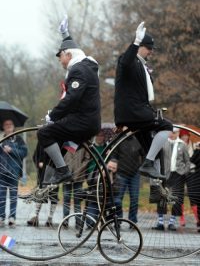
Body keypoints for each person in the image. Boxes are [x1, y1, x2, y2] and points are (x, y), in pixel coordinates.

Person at [37, 14, 101, 185]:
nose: (60, 61)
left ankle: (63, 172)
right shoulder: (86, 66)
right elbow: (74, 48)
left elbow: (72, 99)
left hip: (82, 123)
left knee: (44, 133)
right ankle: (46, 185)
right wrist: (65, 34)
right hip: (87, 122)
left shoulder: (79, 70)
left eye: (61, 57)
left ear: (68, 55)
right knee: (54, 145)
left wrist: (53, 116)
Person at [114, 21, 173, 180]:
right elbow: (126, 62)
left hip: (137, 112)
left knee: (152, 149)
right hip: (134, 113)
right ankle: (148, 165)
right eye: (149, 48)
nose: (151, 52)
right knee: (167, 126)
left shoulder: (141, 66)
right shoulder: (128, 61)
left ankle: (157, 184)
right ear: (140, 46)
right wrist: (135, 42)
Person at [152, 128, 190, 231]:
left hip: (177, 174)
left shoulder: (182, 144)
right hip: (164, 174)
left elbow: (187, 161)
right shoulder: (164, 143)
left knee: (176, 198)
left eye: (175, 132)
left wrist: (184, 172)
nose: (172, 134)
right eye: (171, 132)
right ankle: (160, 222)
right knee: (161, 197)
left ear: (178, 133)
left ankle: (172, 222)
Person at [0, 119, 28, 227]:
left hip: (14, 172)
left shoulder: (19, 139)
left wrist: (11, 149)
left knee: (13, 196)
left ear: (13, 126)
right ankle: (1, 216)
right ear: (3, 126)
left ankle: (12, 217)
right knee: (1, 196)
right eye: (6, 124)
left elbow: (24, 152)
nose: (8, 126)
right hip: (1, 172)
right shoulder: (1, 139)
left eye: (10, 124)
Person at [111, 135, 144, 225]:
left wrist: (141, 167)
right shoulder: (119, 140)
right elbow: (114, 155)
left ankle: (132, 221)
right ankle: (118, 219)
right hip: (121, 174)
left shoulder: (137, 140)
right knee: (118, 199)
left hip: (135, 174)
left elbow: (143, 154)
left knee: (134, 199)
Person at [27, 143, 59, 227]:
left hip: (54, 173)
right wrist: (38, 163)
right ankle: (35, 216)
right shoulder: (42, 141)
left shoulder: (59, 140)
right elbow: (35, 155)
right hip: (42, 173)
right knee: (40, 194)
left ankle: (50, 218)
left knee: (54, 195)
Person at [62, 147, 90, 229]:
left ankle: (78, 222)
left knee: (77, 199)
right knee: (66, 198)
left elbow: (87, 158)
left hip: (79, 175)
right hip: (66, 174)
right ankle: (65, 221)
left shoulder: (83, 144)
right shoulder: (66, 142)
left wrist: (80, 169)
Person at [178, 129, 198, 227]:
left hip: (192, 173)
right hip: (181, 173)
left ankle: (197, 218)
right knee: (179, 195)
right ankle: (181, 218)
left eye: (186, 136)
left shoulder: (194, 146)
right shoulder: (178, 146)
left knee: (193, 196)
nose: (184, 138)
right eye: (182, 136)